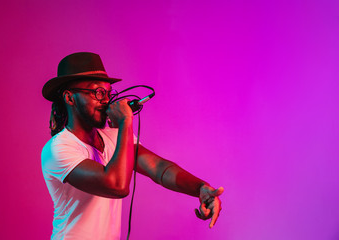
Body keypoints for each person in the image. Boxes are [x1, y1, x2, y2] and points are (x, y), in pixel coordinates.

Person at [41, 52, 224, 240]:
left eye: (108, 93)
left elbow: (159, 169)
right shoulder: (59, 148)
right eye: (97, 92)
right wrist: (125, 121)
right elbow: (116, 185)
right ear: (70, 98)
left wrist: (200, 188)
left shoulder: (114, 137)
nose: (105, 100)